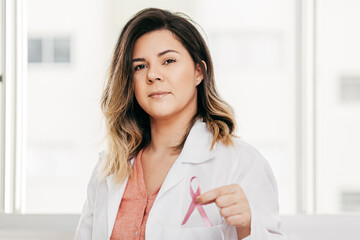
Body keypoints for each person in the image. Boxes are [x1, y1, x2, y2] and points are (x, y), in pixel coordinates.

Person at [75, 7, 285, 240]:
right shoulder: (109, 169)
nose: (153, 75)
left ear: (198, 72)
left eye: (168, 60)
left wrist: (247, 227)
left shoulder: (241, 163)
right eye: (140, 66)